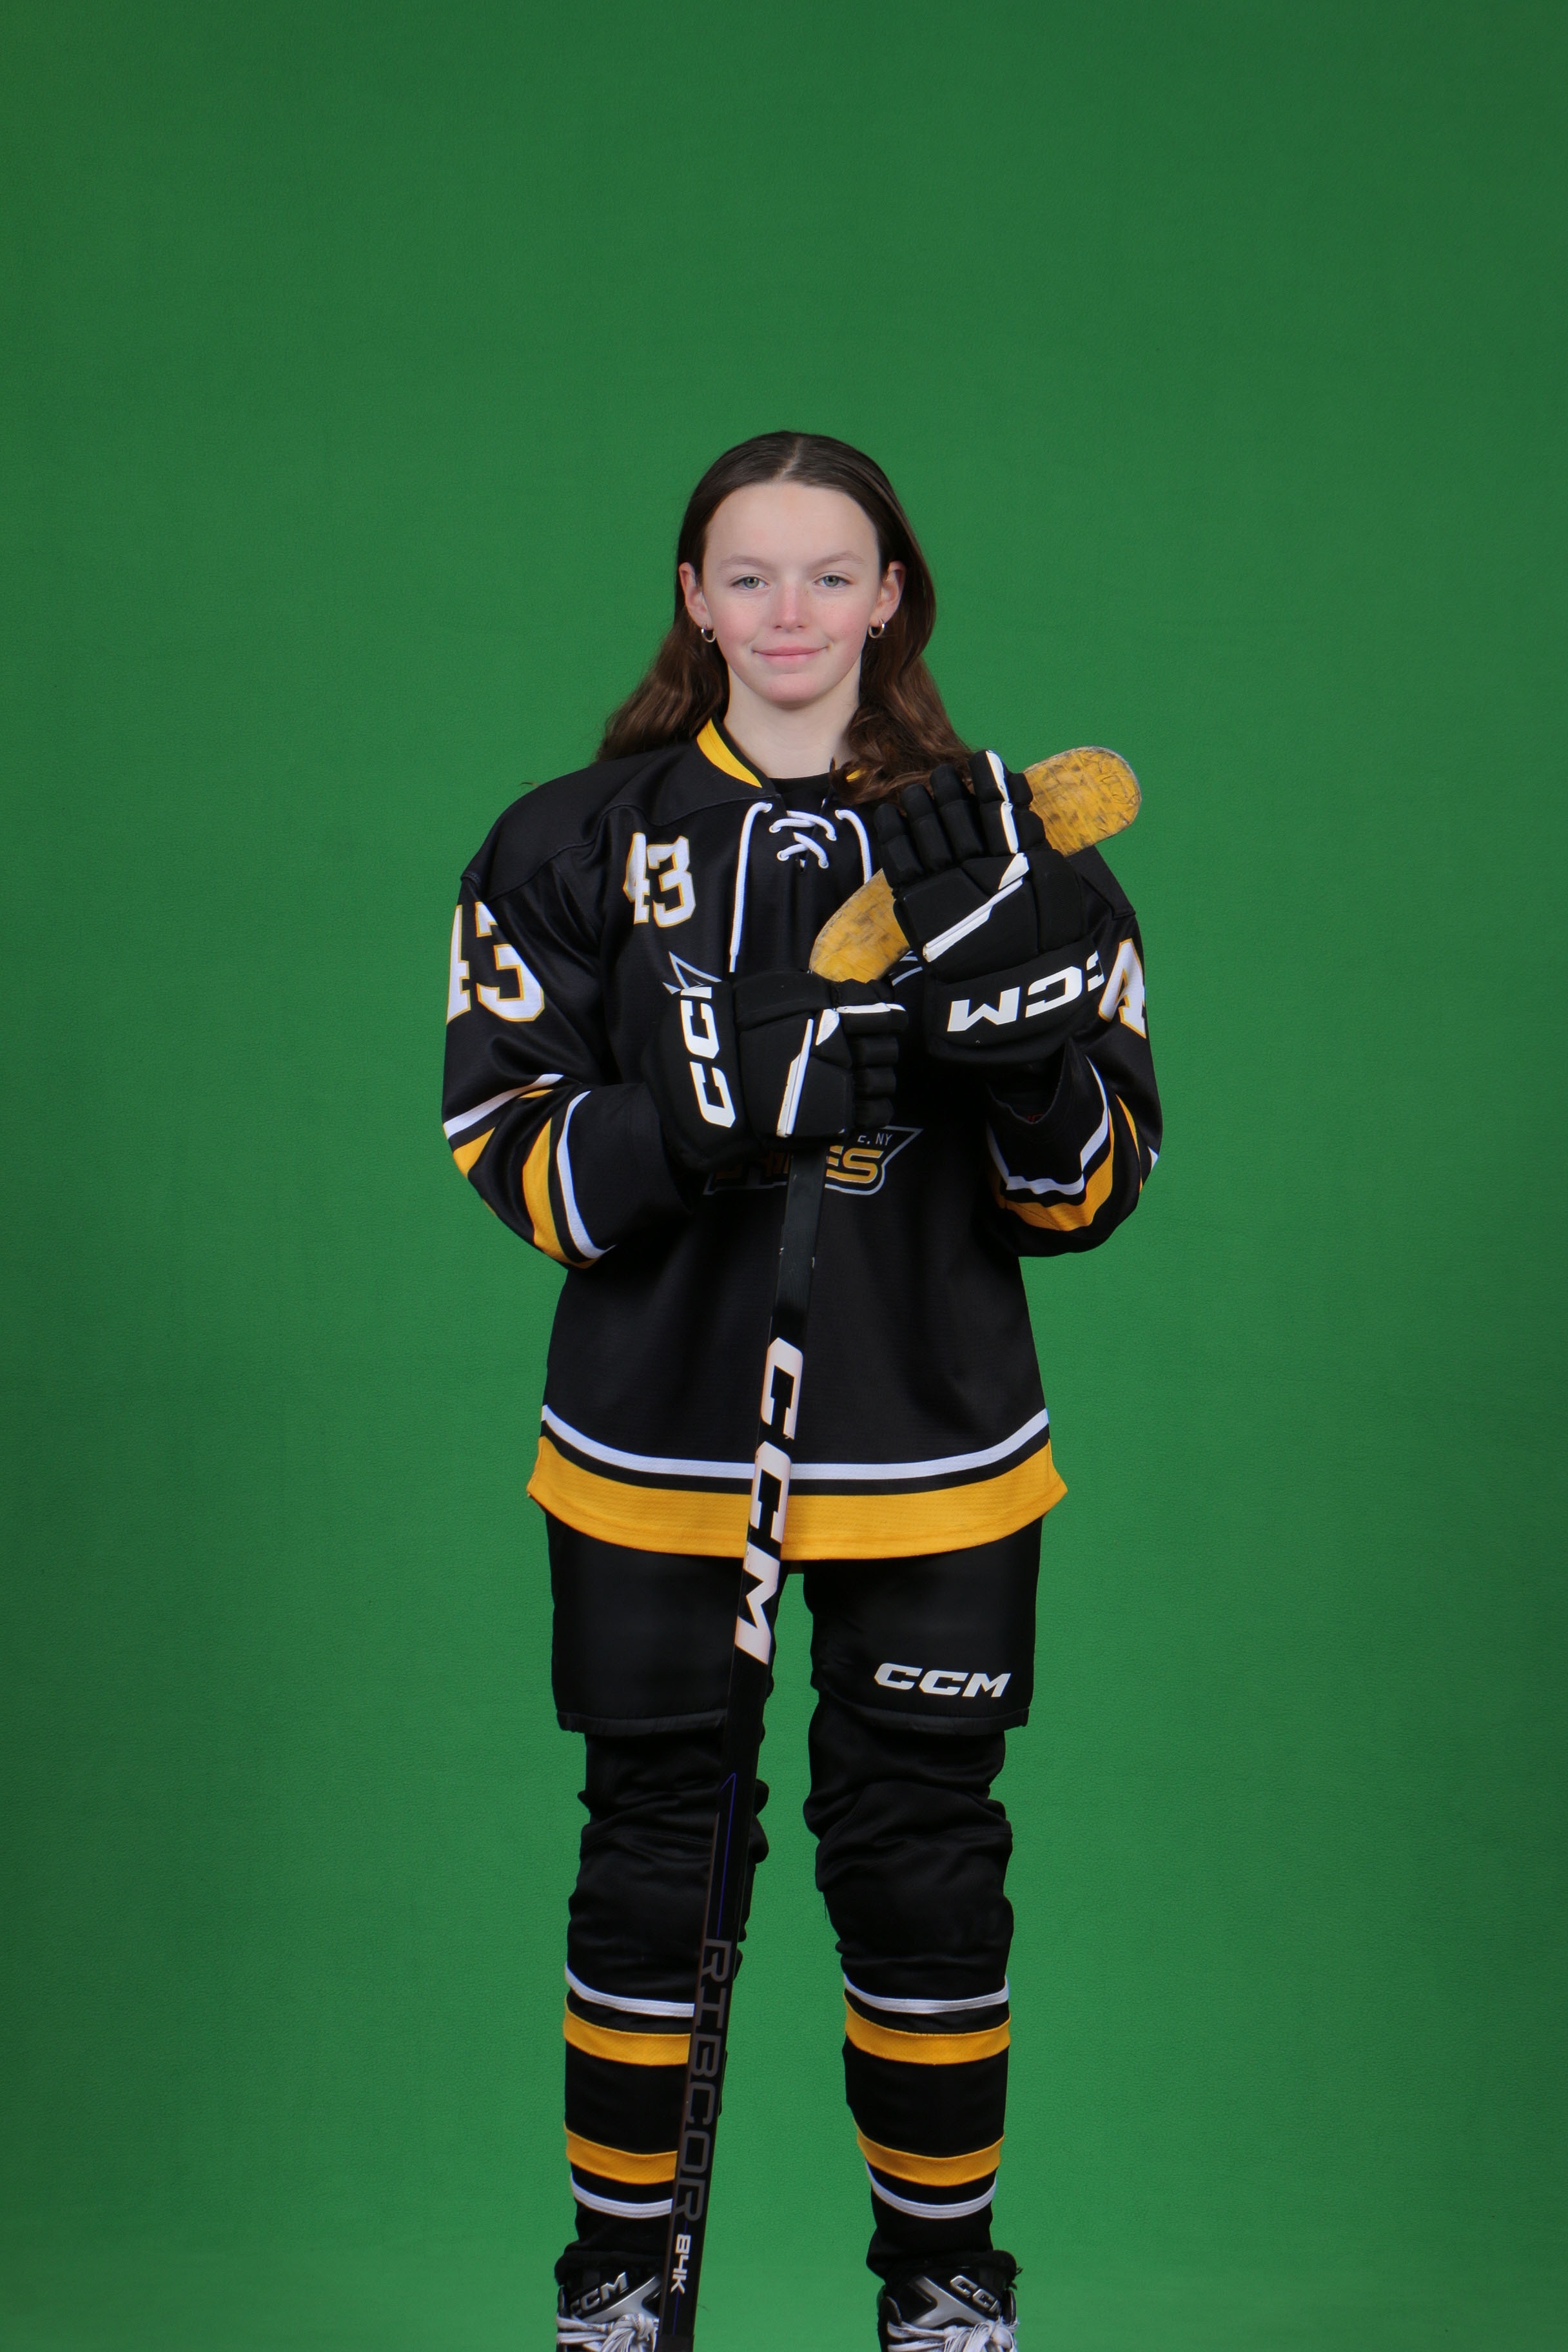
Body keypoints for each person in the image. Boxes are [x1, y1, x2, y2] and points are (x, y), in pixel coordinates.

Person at [440, 432, 1160, 2351]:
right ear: (693, 598)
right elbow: (511, 1153)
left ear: (890, 596)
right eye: (748, 575)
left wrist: (1023, 1060)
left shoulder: (1004, 848)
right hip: (656, 1446)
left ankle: (944, 2287)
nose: (789, 612)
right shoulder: (568, 842)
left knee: (924, 1872)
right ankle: (619, 2285)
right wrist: (703, 1118)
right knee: (655, 1860)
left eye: (830, 574)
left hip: (937, 1440)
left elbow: (1092, 1191)